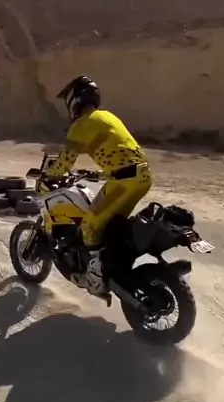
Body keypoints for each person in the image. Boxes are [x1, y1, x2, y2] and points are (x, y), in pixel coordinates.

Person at [41, 76, 152, 297]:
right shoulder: (108, 117)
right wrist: (99, 173)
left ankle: (95, 280)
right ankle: (113, 265)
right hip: (142, 177)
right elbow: (122, 154)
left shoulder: (81, 125)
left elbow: (65, 162)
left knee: (89, 226)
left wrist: (49, 174)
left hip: (123, 183)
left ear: (74, 101)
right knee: (111, 225)